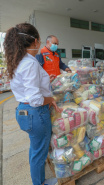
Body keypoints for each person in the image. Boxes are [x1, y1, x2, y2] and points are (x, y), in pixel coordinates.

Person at [3, 23, 61, 185]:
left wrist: (45, 81)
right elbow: (35, 99)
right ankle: (39, 183)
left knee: (35, 149)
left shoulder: (19, 61)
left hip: (23, 111)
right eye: (40, 41)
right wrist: (51, 99)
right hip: (35, 114)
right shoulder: (30, 63)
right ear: (35, 41)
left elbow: (27, 88)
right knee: (39, 153)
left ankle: (38, 180)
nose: (40, 44)